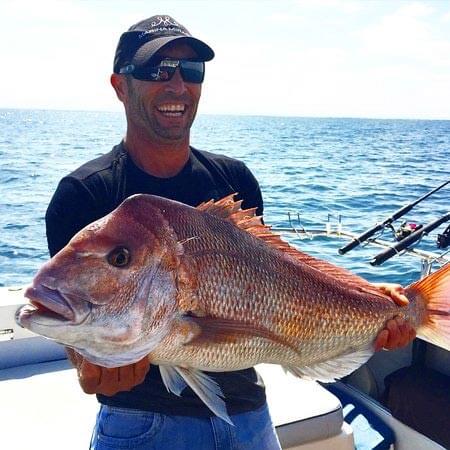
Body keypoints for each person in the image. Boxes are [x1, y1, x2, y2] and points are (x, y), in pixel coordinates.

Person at [45, 15, 415, 450]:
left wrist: (370, 298)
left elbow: (291, 278)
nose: (177, 85)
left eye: (192, 71)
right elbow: (76, 318)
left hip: (249, 418)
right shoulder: (85, 194)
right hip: (141, 422)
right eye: (156, 70)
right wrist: (88, 366)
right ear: (119, 85)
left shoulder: (234, 180)